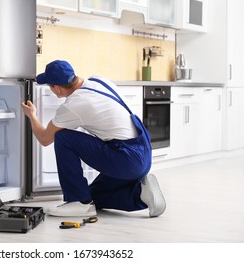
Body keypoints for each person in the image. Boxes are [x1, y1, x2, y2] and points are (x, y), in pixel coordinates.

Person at [21, 60, 166, 218]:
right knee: (93, 196)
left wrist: (32, 115)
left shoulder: (72, 105)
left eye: (50, 86)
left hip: (126, 159)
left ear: (56, 87)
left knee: (63, 137)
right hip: (142, 154)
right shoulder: (98, 80)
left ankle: (77, 202)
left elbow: (44, 138)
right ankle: (141, 195)